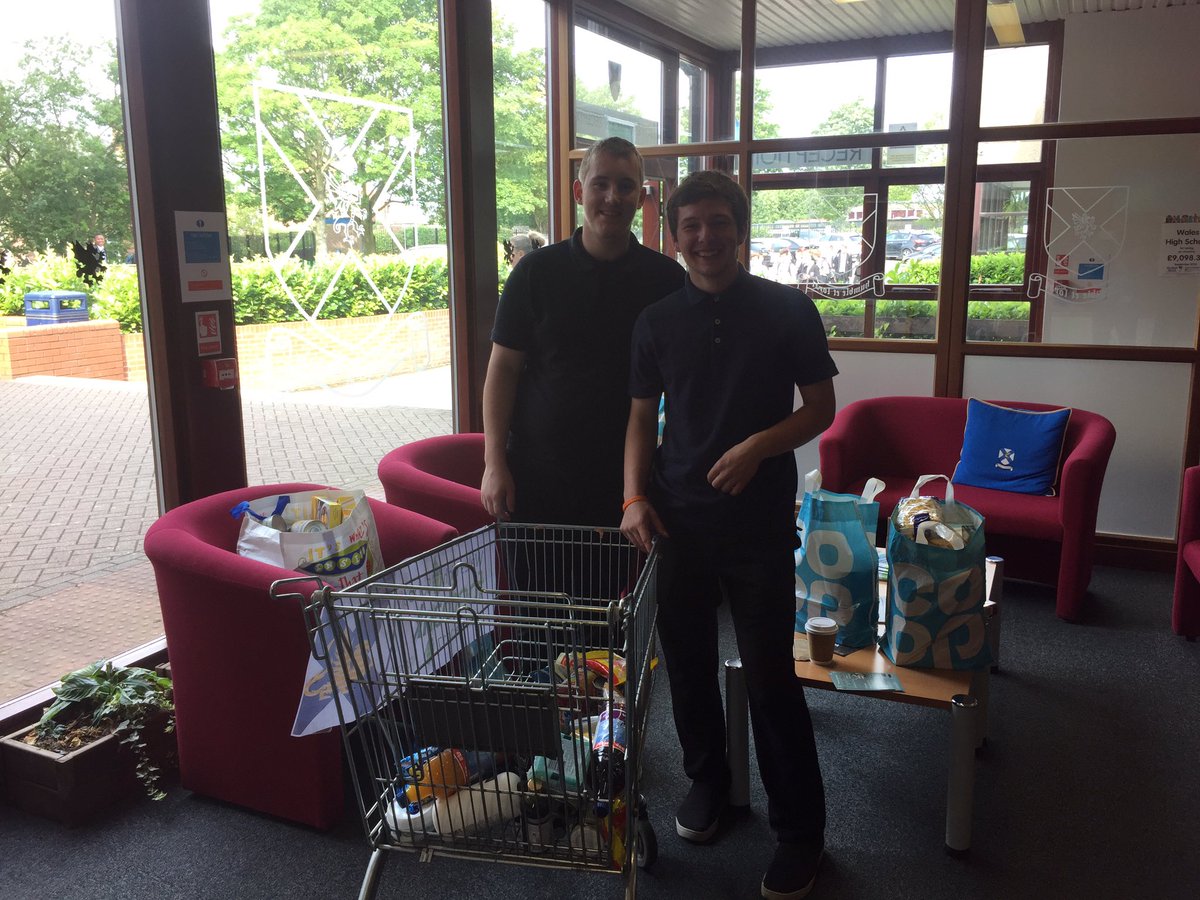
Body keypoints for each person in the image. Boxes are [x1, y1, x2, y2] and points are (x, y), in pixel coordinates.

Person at [620, 170, 837, 900]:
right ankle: (709, 784)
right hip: (677, 520)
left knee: (772, 675)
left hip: (758, 523)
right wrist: (633, 497)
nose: (705, 238)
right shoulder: (655, 321)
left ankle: (800, 829)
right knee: (684, 663)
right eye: (691, 227)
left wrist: (758, 447)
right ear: (673, 236)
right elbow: (639, 418)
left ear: (739, 230)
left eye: (718, 223)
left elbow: (821, 410)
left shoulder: (787, 310)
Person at [482, 137, 684, 528]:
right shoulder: (534, 274)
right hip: (538, 473)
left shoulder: (666, 281)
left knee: (620, 590)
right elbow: (502, 370)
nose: (613, 196)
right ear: (579, 191)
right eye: (600, 184)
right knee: (535, 591)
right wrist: (494, 464)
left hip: (628, 482)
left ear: (640, 197)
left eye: (626, 186)